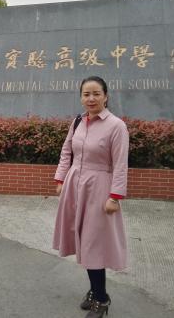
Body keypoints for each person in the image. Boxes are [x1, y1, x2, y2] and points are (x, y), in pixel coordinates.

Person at [53, 76, 129, 318]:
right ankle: (95, 290)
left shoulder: (116, 126)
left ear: (106, 96)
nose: (91, 98)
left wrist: (115, 196)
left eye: (96, 93)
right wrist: (60, 179)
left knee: (93, 244)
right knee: (83, 241)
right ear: (81, 97)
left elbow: (120, 164)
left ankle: (101, 299)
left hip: (99, 189)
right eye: (86, 94)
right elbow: (67, 151)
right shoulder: (78, 121)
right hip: (75, 186)